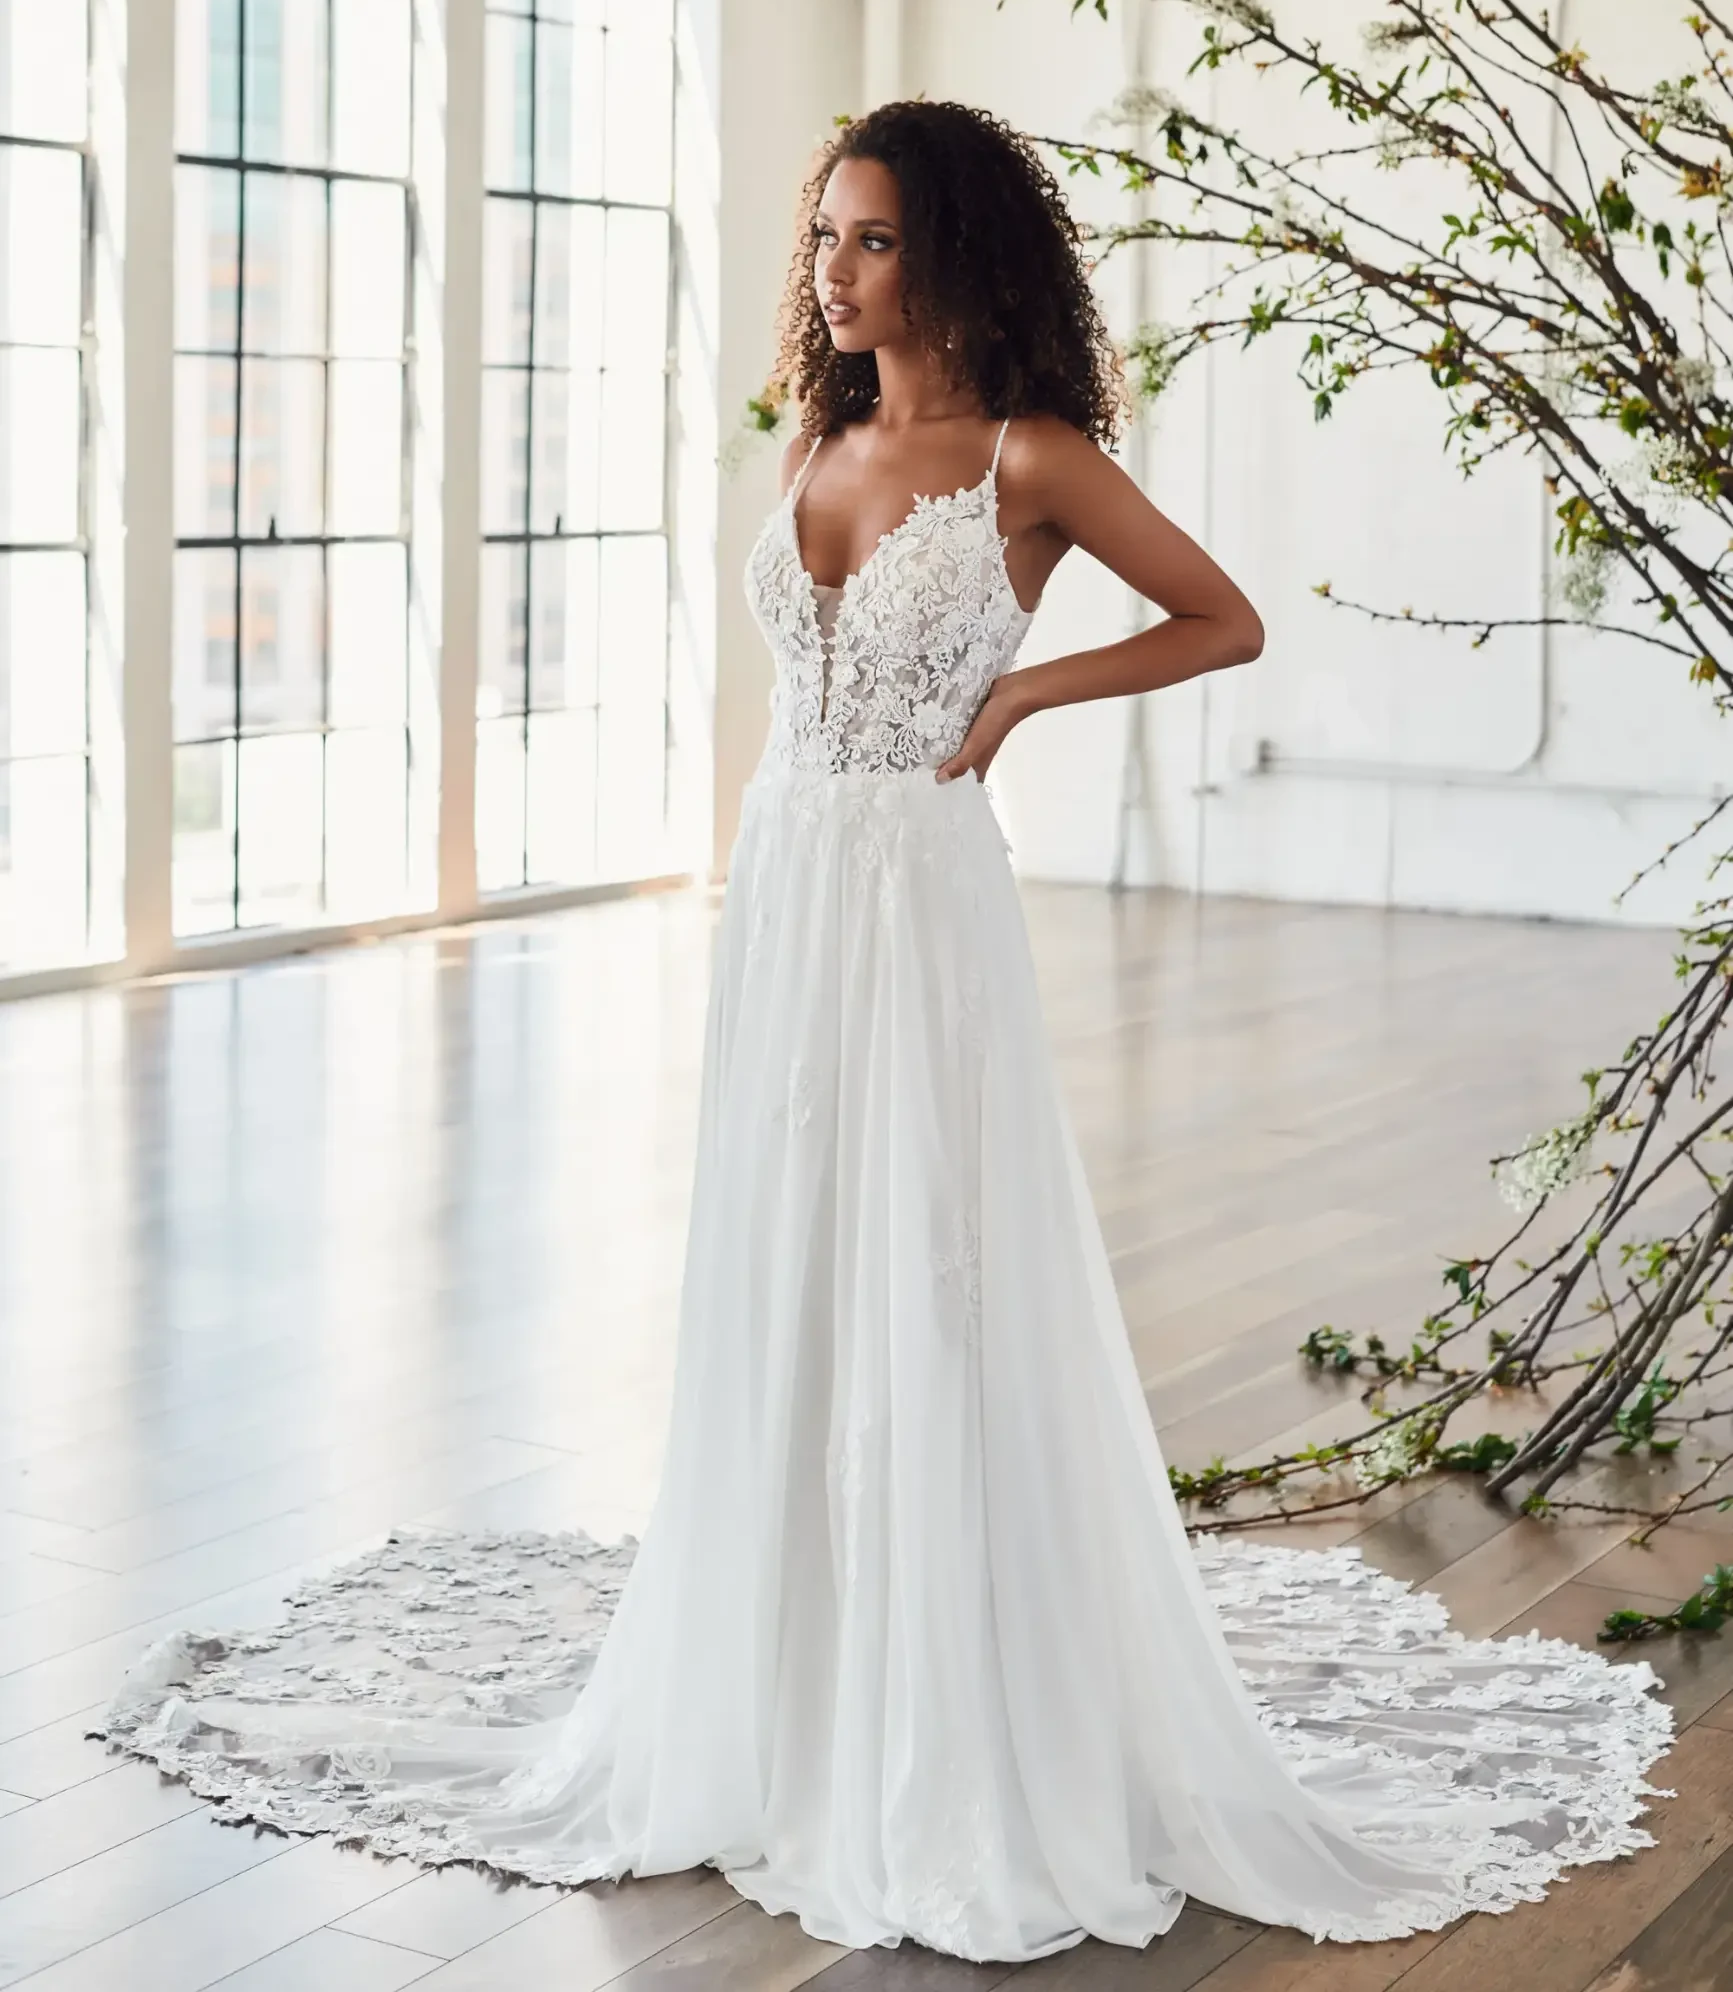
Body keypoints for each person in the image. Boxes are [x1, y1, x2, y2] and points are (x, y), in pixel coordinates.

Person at [99, 100, 1671, 1963]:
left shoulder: (1029, 456)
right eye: (825, 237)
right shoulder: (821, 436)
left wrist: (1020, 701)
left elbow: (1222, 621)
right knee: (784, 1257)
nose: (834, 273)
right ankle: (784, 1662)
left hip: (924, 896)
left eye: (871, 241)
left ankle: (942, 1697)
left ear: (957, 254)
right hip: (790, 884)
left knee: (935, 1266)